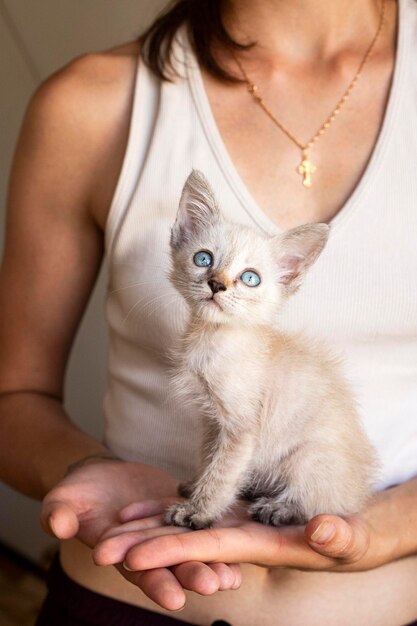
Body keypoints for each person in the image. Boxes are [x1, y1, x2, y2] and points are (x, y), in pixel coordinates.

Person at [1, 0, 416, 624]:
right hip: (125, 595)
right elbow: (15, 397)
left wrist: (393, 527)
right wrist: (86, 469)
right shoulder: (91, 103)